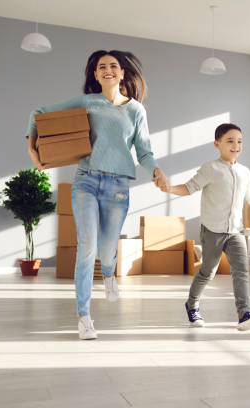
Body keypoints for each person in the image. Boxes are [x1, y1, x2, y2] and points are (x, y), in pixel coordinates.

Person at [25, 50, 169, 340]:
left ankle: (109, 273)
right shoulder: (87, 102)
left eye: (113, 66)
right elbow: (38, 114)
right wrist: (33, 150)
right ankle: (84, 317)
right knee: (86, 248)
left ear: (122, 73)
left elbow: (144, 152)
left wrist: (156, 171)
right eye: (101, 66)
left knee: (106, 250)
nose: (108, 70)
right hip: (86, 182)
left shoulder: (136, 111)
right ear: (95, 74)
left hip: (118, 186)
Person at [160, 123, 250, 330]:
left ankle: (244, 313)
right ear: (217, 144)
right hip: (212, 230)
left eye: (239, 141)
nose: (236, 145)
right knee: (208, 272)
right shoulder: (211, 168)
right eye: (230, 141)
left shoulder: (244, 172)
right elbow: (189, 188)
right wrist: (169, 188)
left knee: (241, 271)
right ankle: (192, 304)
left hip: (235, 231)